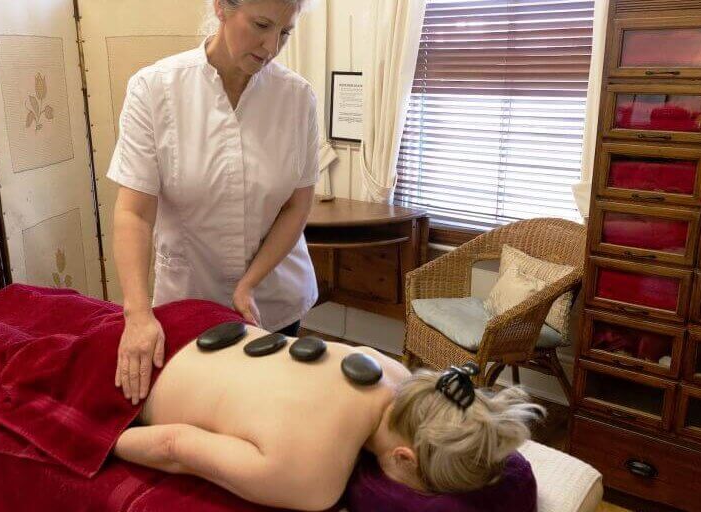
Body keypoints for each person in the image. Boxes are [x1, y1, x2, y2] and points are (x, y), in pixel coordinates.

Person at [107, 0, 321, 405]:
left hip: (274, 300)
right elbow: (134, 213)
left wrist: (250, 282)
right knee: (201, 411)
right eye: (261, 25)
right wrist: (136, 314)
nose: (272, 45)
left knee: (266, 408)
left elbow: (297, 206)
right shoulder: (154, 89)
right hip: (189, 297)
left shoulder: (297, 99)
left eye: (286, 32)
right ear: (222, 7)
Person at [113, 325, 544, 511]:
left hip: (201, 322)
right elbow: (175, 447)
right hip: (143, 375)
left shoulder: (393, 370)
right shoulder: (313, 479)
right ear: (404, 458)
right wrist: (107, 438)